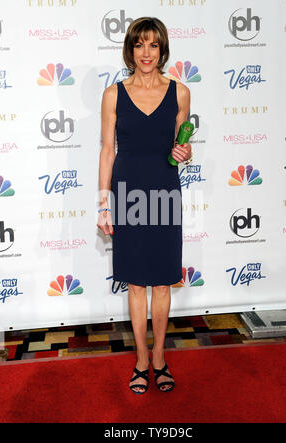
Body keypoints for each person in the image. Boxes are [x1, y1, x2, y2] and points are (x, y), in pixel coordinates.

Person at [97, 17, 192, 394]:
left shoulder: (180, 93)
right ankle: (140, 358)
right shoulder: (113, 94)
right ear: (130, 50)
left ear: (162, 49)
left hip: (165, 190)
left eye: (153, 45)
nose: (146, 53)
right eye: (139, 45)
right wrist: (104, 204)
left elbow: (180, 144)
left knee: (165, 282)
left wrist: (184, 151)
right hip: (127, 190)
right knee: (136, 283)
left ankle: (159, 358)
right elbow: (108, 151)